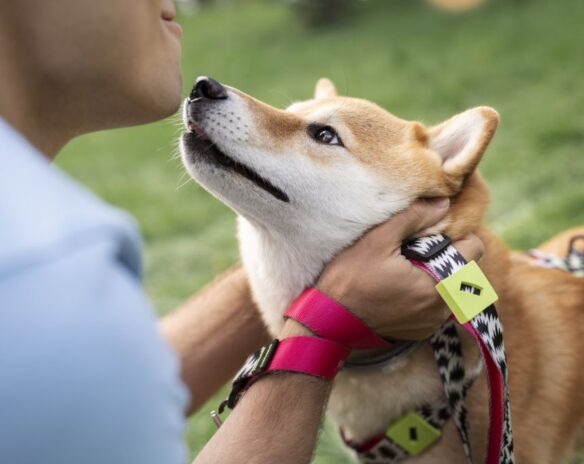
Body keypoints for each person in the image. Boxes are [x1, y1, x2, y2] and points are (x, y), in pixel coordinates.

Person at [0, 1, 484, 463]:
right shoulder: (39, 278)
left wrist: (309, 271)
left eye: (321, 134)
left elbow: (108, 391)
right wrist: (325, 322)